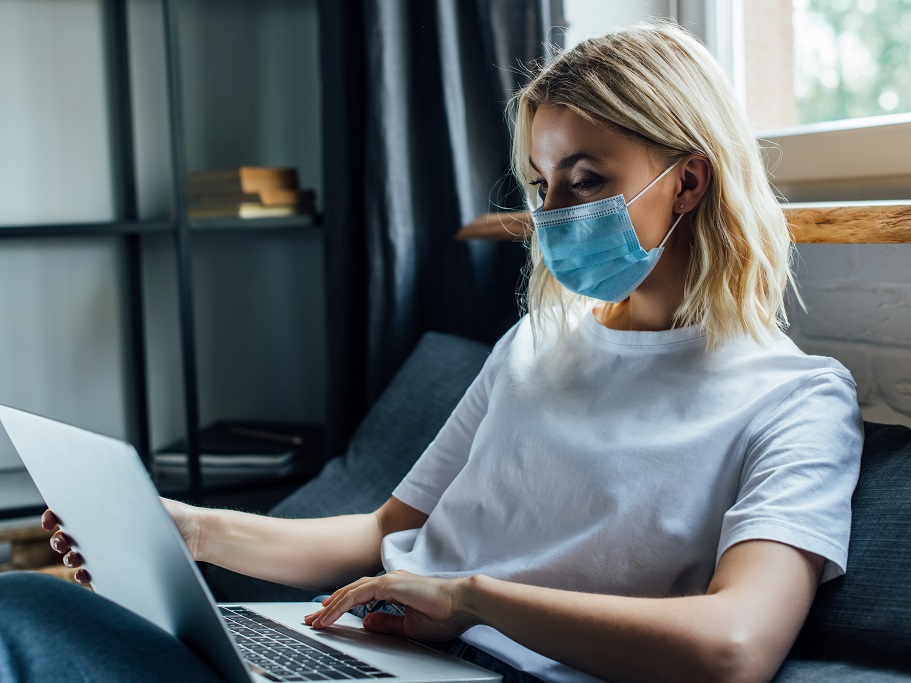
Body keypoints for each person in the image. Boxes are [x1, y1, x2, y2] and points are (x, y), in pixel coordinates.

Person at [1, 22, 862, 683]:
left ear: (689, 178)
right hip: (355, 647)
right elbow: (382, 535)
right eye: (541, 181)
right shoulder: (533, 344)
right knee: (26, 605)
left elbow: (736, 646)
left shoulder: (795, 399)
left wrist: (469, 601)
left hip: (487, 668)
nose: (552, 210)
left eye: (587, 177)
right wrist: (188, 532)